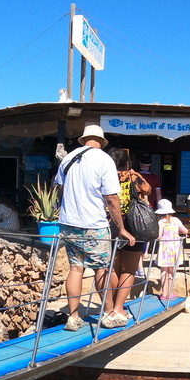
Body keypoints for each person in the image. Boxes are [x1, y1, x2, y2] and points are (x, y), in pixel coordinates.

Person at [54, 125, 135, 331]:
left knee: (75, 268)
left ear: (83, 140)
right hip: (93, 224)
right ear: (101, 141)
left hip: (69, 222)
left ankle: (73, 318)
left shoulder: (68, 159)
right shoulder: (103, 160)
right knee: (101, 268)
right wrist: (122, 228)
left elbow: (60, 189)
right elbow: (111, 198)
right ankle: (109, 313)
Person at [106, 148, 151, 327]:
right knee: (129, 270)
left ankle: (110, 307)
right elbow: (146, 189)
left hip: (111, 224)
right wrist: (132, 173)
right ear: (127, 162)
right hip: (133, 225)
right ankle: (119, 308)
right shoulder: (133, 177)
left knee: (113, 268)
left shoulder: (106, 177)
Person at [155, 198, 188, 300]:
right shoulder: (176, 220)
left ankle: (163, 293)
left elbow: (159, 236)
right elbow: (185, 231)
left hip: (164, 247)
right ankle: (170, 292)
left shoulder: (161, 222)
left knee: (163, 270)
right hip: (174, 247)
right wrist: (176, 233)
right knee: (171, 270)